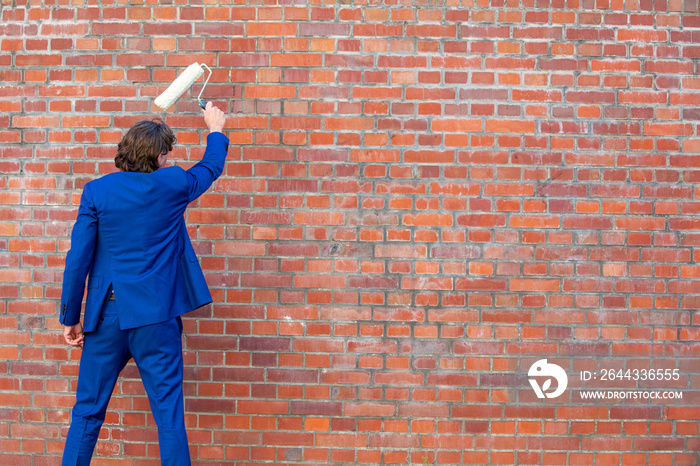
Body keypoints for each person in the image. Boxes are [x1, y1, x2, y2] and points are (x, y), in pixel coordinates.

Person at [59, 102, 228, 466]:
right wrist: (215, 129)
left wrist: (71, 315)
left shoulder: (97, 192)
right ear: (161, 155)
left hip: (107, 316)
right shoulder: (173, 184)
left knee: (87, 412)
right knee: (169, 417)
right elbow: (210, 167)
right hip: (157, 317)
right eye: (168, 154)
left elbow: (78, 260)